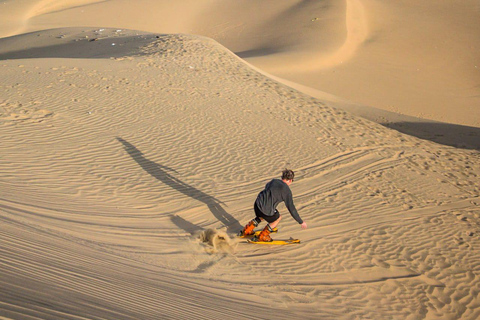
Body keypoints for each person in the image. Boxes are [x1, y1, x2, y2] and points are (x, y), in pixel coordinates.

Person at [239, 169, 307, 241]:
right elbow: (291, 209)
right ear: (290, 180)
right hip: (265, 210)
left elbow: (266, 187)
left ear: (282, 177)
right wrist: (301, 222)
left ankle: (247, 230)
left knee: (263, 214)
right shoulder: (287, 192)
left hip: (257, 205)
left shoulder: (274, 181)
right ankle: (263, 235)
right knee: (278, 218)